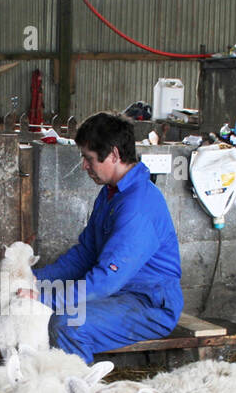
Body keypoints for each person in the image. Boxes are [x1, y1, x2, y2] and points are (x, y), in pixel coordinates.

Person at [26, 111, 182, 362]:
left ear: (114, 154)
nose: (84, 166)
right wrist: (35, 279)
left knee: (68, 323)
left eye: (89, 158)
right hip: (117, 295)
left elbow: (106, 281)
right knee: (51, 312)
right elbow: (85, 253)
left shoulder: (138, 206)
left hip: (148, 304)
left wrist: (43, 297)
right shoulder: (111, 193)